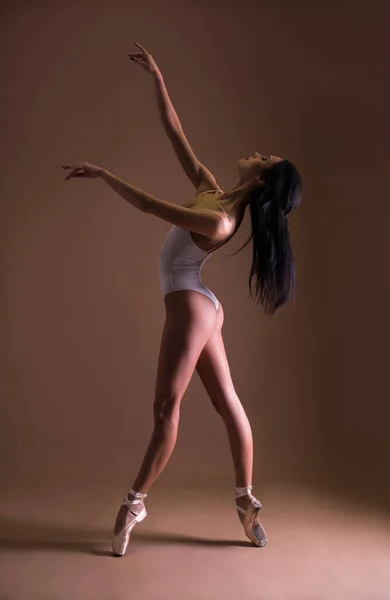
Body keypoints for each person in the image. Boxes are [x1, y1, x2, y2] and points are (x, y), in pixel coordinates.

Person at [62, 42, 303, 556]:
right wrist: (158, 76)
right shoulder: (212, 190)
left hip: (193, 305)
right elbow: (176, 133)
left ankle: (134, 502)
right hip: (203, 303)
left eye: (264, 158)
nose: (256, 152)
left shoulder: (219, 220)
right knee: (225, 401)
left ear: (260, 179)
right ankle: (246, 501)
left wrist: (105, 175)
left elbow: (151, 206)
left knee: (167, 408)